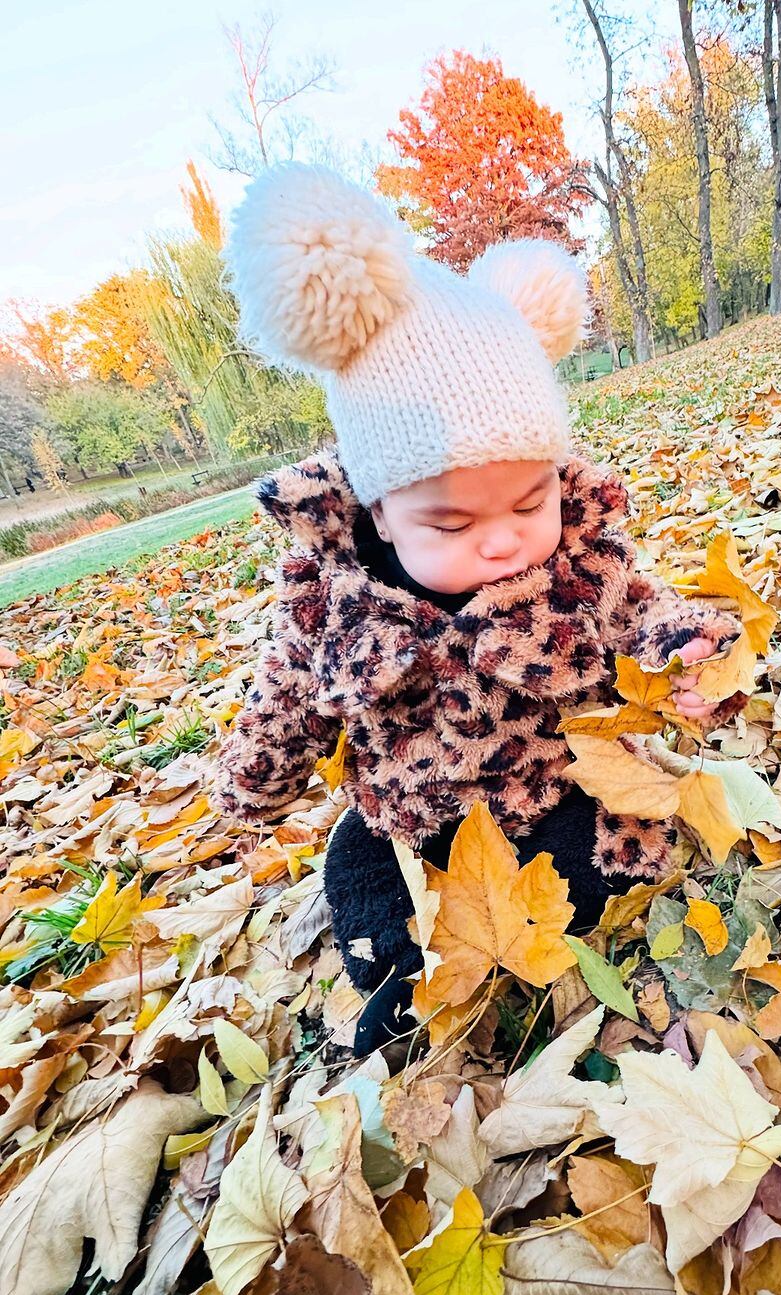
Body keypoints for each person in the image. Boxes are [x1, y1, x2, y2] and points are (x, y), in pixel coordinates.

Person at [214, 163, 745, 1056]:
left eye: (526, 503)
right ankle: (407, 988)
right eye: (453, 521)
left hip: (543, 791)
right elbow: (288, 698)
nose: (501, 541)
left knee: (620, 847)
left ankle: (526, 947)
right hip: (409, 817)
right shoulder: (334, 599)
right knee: (358, 871)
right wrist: (253, 781)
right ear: (380, 509)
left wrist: (691, 654)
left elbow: (639, 615)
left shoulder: (577, 556)